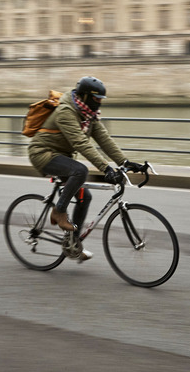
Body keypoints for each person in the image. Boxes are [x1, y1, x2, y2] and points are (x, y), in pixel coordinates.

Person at [27, 76, 143, 259]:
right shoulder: (66, 111)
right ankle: (58, 211)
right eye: (97, 99)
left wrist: (125, 162)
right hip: (42, 154)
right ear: (85, 96)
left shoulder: (88, 114)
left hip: (61, 156)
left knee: (84, 196)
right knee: (80, 170)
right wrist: (105, 168)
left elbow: (104, 139)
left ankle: (72, 245)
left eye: (101, 100)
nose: (99, 104)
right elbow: (81, 143)